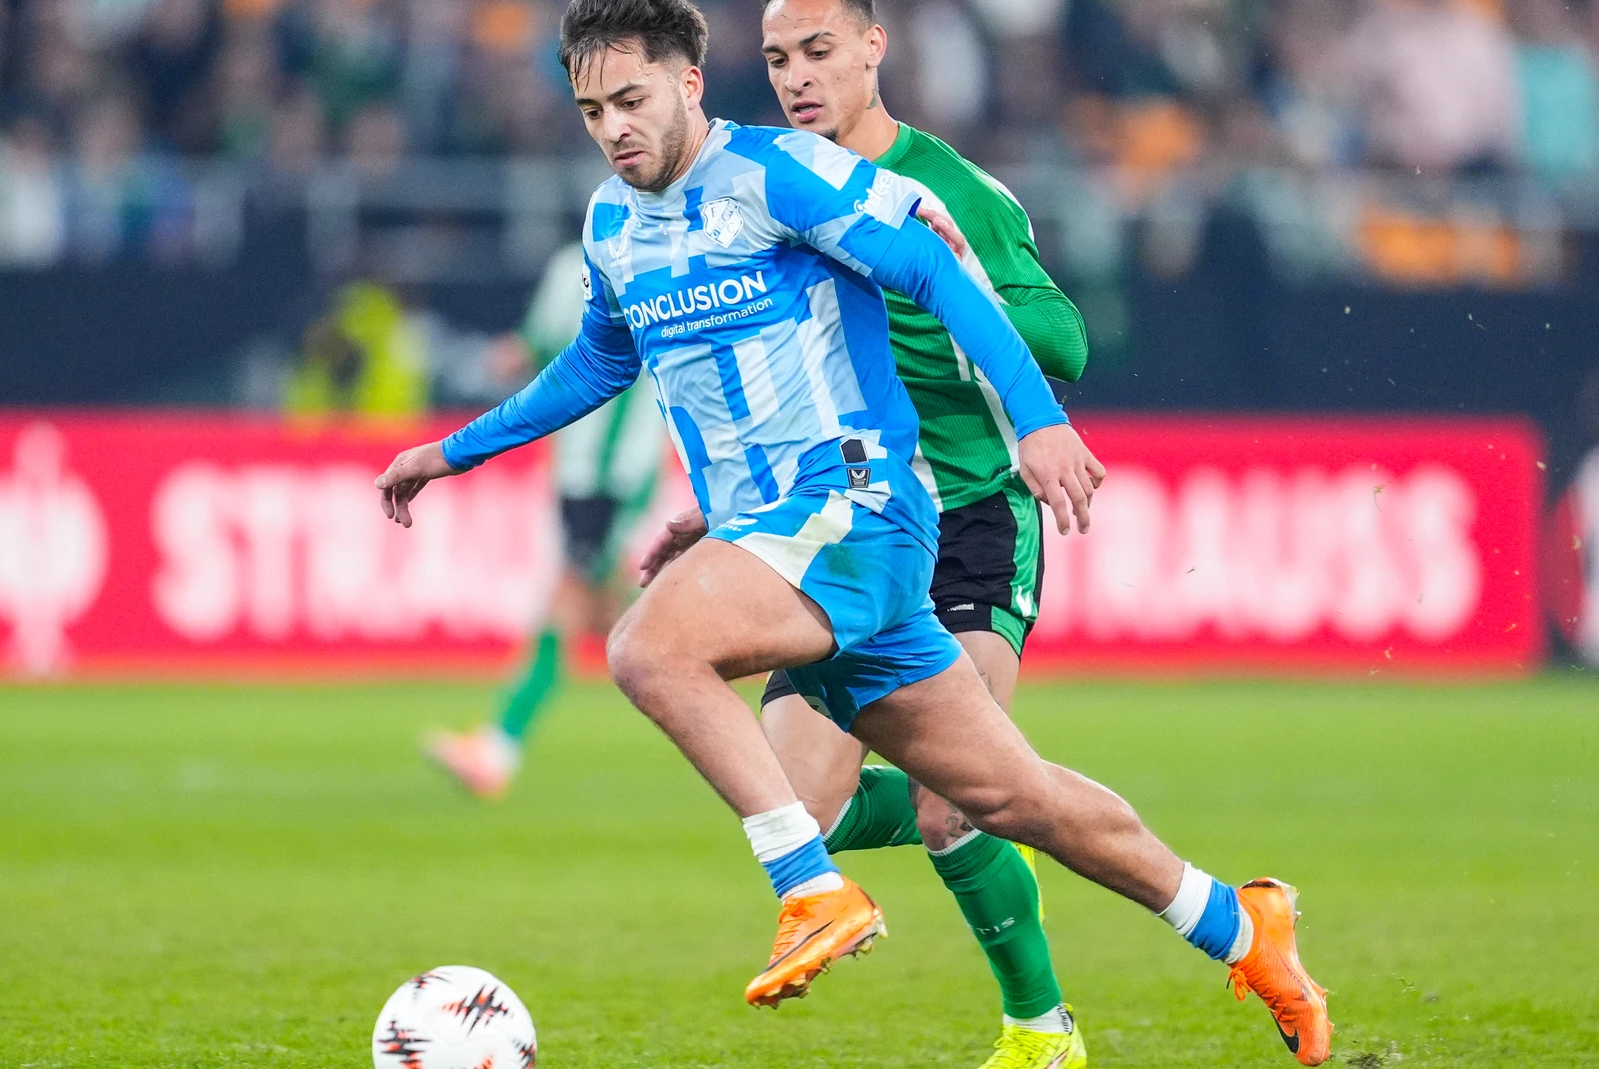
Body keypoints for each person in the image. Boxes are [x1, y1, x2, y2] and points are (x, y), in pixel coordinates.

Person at [372, 0, 1331, 1063]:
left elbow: (933, 269)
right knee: (1003, 794)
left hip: (855, 510)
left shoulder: (781, 174)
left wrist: (1039, 422)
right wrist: (452, 451)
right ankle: (1242, 927)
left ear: (690, 84)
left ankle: (818, 897)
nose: (612, 127)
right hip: (789, 529)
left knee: (648, 645)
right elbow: (601, 359)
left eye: (631, 99)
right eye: (591, 109)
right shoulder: (612, 223)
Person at [750, 0, 1089, 1065]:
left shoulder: (951, 192)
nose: (798, 78)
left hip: (974, 515)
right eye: (775, 61)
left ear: (870, 48)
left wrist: (943, 284)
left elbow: (1065, 336)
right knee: (791, 815)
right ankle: (1013, 811)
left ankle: (1041, 1027)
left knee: (950, 807)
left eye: (816, 51)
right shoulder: (773, 195)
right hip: (849, 525)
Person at [428, 242, 670, 799]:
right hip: (584, 470)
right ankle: (739, 695)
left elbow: (532, 350)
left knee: (569, 599)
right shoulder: (653, 254)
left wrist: (491, 362)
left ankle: (498, 746)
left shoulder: (578, 264)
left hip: (613, 473)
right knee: (612, 615)